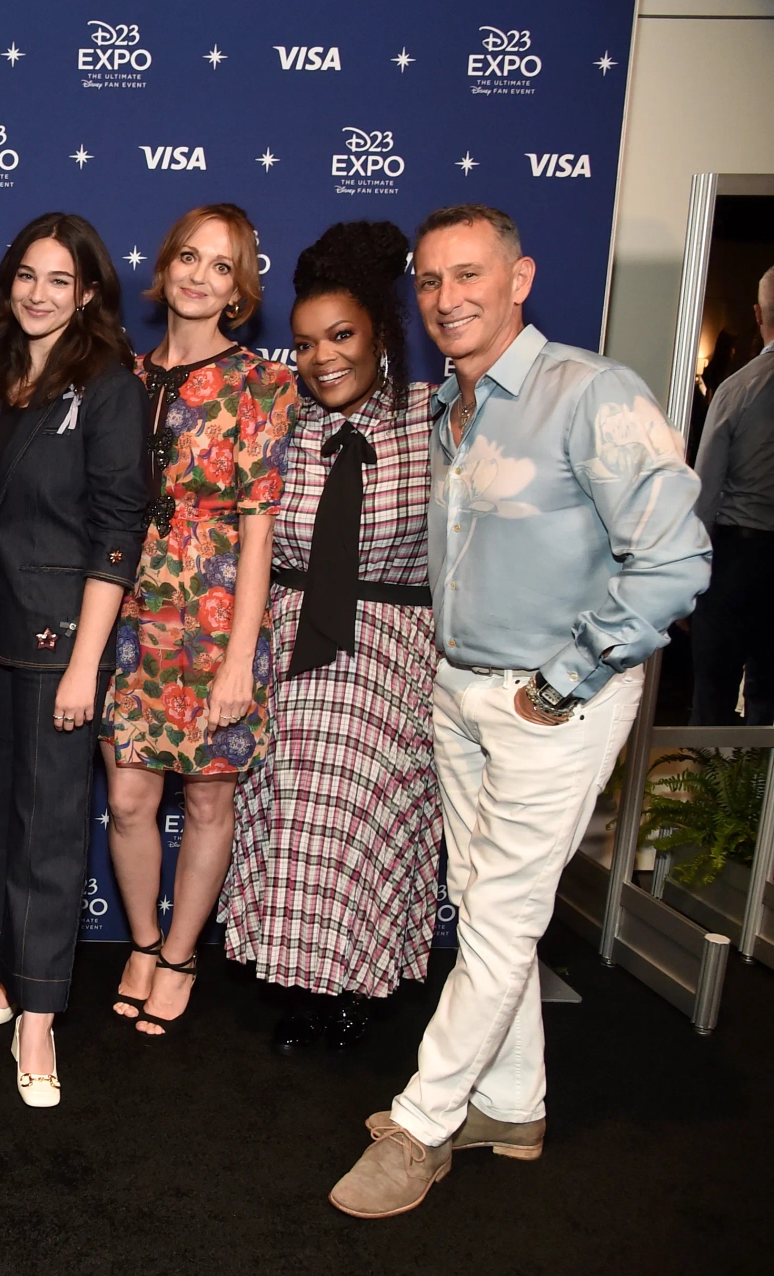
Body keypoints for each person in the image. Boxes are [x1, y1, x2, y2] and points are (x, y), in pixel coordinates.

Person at [329, 205, 710, 1219]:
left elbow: (676, 560)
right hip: (461, 690)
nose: (446, 298)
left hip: (553, 698)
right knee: (497, 911)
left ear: (521, 278)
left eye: (469, 275)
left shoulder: (591, 393)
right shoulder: (456, 407)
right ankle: (513, 1102)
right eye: (429, 281)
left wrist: (572, 676)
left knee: (497, 916)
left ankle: (422, 1124)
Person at [225, 221, 442, 1057]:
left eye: (342, 336)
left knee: (368, 820)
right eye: (307, 342)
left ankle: (357, 985)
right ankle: (301, 981)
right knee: (289, 818)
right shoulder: (283, 422)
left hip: (392, 649)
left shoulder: (437, 418)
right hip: (289, 646)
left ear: (381, 333)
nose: (322, 358)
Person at [0, 213, 147, 1104]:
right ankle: (10, 978)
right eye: (27, 275)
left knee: (48, 832)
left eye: (59, 281)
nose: (38, 293)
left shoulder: (107, 383)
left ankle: (39, 1024)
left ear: (87, 295)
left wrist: (85, 660)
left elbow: (118, 530)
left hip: (55, 641)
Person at [99, 204, 298, 1038]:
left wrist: (237, 660)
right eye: (189, 256)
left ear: (239, 287)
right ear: (166, 265)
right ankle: (142, 942)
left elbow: (259, 536)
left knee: (210, 806)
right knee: (129, 796)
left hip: (216, 623)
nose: (199, 275)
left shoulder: (262, 383)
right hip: (129, 616)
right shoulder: (121, 378)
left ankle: (182, 955)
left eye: (222, 265)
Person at [690, 265, 774, 725]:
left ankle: (708, 794)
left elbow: (704, 492)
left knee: (713, 695)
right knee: (769, 700)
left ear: (758, 314)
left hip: (737, 559)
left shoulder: (738, 388)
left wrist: (687, 577)